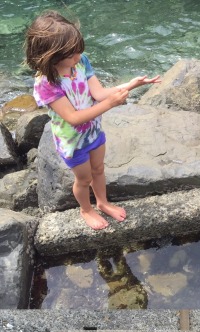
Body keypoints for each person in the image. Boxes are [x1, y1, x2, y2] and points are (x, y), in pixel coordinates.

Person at [25, 11, 161, 230]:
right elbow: (73, 118)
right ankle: (86, 209)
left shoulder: (81, 62)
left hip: (93, 132)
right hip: (72, 141)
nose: (78, 57)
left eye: (79, 50)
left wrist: (130, 85)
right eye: (72, 54)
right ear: (50, 56)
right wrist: (111, 105)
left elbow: (98, 93)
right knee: (84, 179)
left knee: (99, 169)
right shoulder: (47, 83)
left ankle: (103, 203)